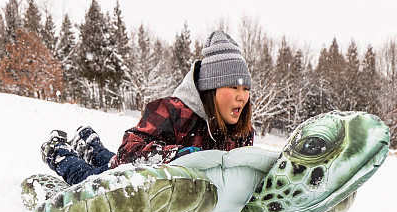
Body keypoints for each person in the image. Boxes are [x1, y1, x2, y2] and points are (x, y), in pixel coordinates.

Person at [41, 30, 255, 185]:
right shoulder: (174, 111)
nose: (242, 97)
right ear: (211, 89)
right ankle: (58, 150)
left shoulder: (242, 132)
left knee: (108, 160)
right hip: (128, 180)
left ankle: (89, 143)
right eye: (233, 86)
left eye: (246, 88)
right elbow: (128, 152)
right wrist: (179, 156)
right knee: (87, 178)